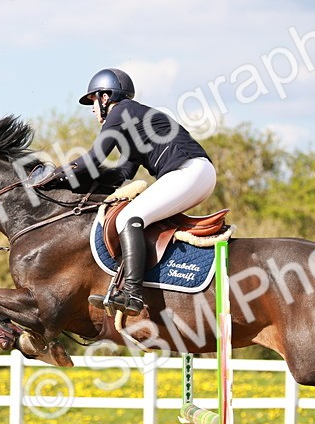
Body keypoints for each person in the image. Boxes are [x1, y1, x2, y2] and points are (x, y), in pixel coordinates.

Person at [48, 68, 217, 316]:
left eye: (94, 101)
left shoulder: (121, 111)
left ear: (106, 97)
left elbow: (95, 158)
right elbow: (121, 174)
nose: (93, 109)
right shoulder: (130, 120)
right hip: (195, 174)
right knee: (136, 217)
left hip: (189, 171)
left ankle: (132, 293)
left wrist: (56, 174)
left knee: (129, 218)